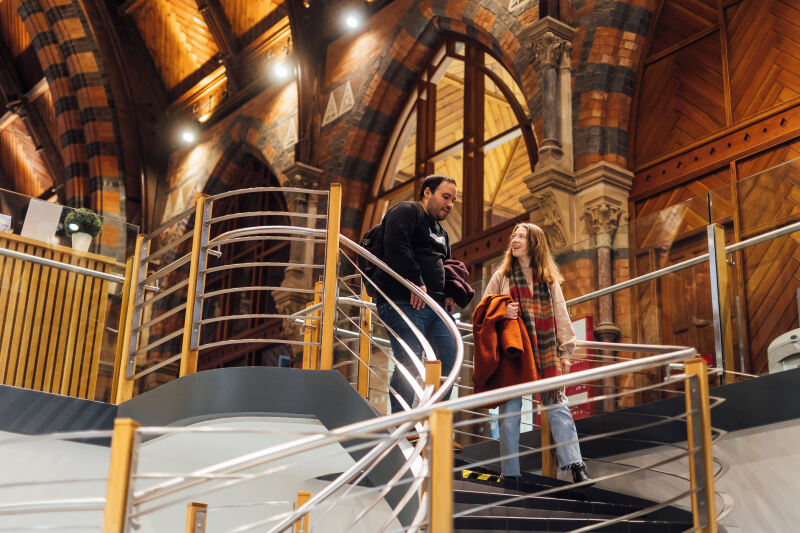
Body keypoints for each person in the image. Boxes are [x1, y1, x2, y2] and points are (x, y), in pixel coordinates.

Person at [476, 223, 590, 483]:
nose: (514, 240)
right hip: (513, 351)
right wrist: (501, 313)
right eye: (513, 236)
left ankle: (575, 466)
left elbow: (561, 315)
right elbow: (482, 312)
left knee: (557, 404)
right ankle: (511, 474)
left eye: (521, 237)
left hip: (545, 350)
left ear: (534, 243)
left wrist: (565, 352)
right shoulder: (502, 276)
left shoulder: (548, 279)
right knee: (509, 412)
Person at [374, 174, 458, 413]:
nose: (450, 204)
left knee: (449, 360)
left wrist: (449, 292)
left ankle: (433, 423)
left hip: (435, 306)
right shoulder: (407, 210)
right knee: (409, 362)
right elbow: (396, 245)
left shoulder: (442, 232)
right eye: (445, 196)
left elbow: (446, 265)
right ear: (428, 192)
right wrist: (415, 282)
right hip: (403, 301)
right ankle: (401, 422)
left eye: (453, 200)